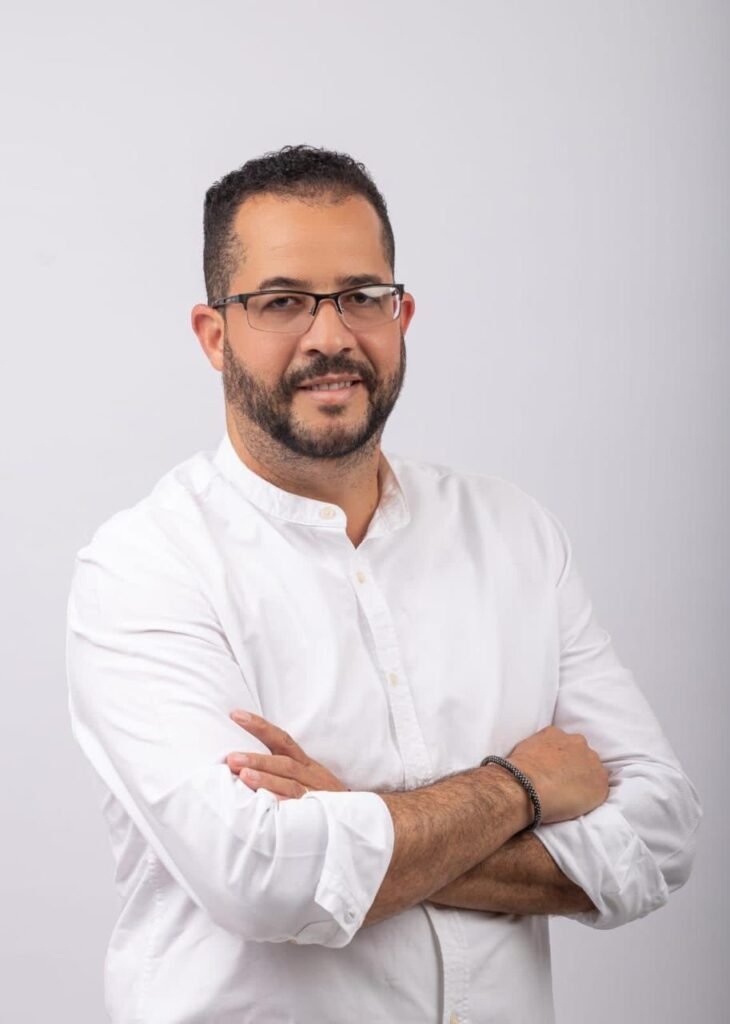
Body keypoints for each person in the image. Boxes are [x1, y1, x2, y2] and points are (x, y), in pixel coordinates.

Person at [66, 144, 701, 1024]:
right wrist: (517, 790)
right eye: (282, 302)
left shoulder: (515, 534)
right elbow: (260, 877)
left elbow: (661, 835)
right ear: (215, 336)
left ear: (402, 314)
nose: (331, 336)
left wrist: (352, 823)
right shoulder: (145, 568)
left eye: (363, 296)